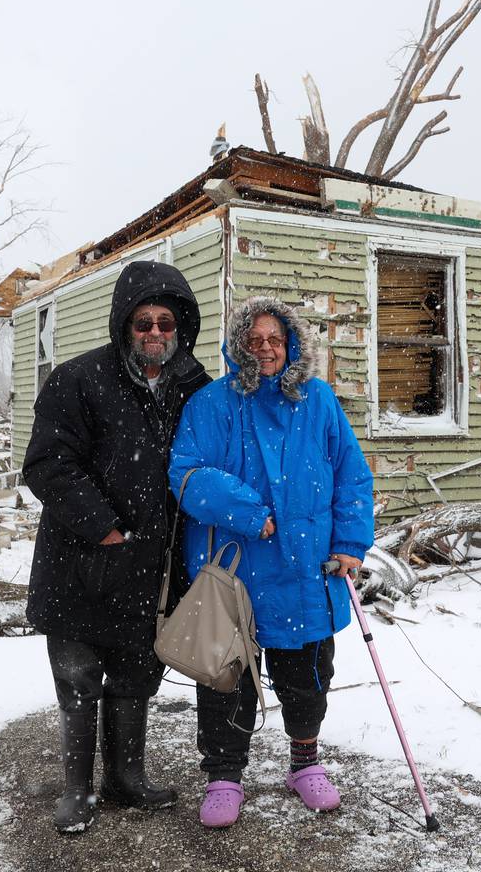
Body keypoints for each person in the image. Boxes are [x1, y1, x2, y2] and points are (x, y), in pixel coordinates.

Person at [169, 295, 375, 829]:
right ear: (239, 345)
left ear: (291, 346)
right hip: (233, 571)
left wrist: (351, 542)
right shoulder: (210, 404)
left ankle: (304, 763)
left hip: (306, 568)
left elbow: (352, 476)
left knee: (307, 676)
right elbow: (186, 474)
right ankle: (224, 774)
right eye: (254, 339)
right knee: (226, 675)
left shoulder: (320, 401)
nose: (265, 348)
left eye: (275, 339)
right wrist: (248, 510)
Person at [22, 260, 210, 834]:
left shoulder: (194, 389)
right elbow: (48, 464)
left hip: (152, 567)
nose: (155, 333)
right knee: (79, 677)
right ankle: (77, 790)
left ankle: (125, 780)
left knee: (135, 676)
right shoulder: (80, 379)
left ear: (181, 328)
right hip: (79, 558)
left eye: (166, 322)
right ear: (122, 325)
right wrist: (103, 527)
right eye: (142, 322)